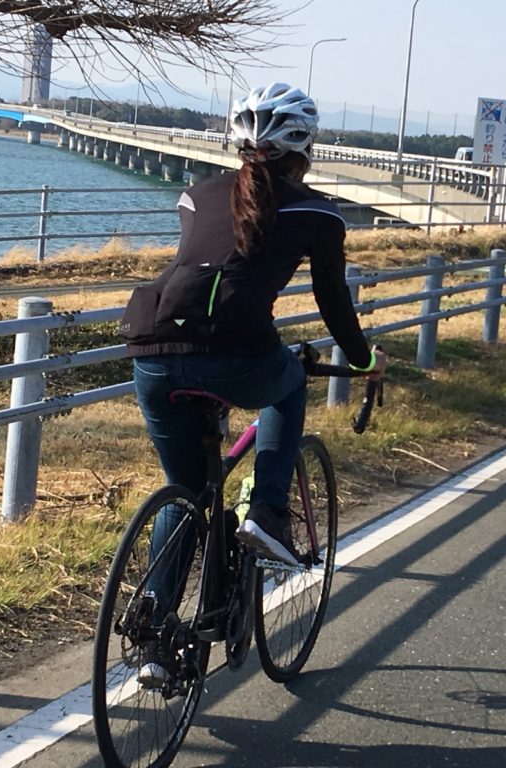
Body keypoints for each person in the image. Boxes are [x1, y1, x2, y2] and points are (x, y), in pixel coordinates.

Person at [119, 82, 384, 616]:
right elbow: (332, 300)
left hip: (151, 347)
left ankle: (153, 623)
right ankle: (267, 511)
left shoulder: (195, 195)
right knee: (287, 385)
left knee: (185, 488)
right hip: (236, 351)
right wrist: (363, 359)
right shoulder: (320, 214)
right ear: (305, 148)